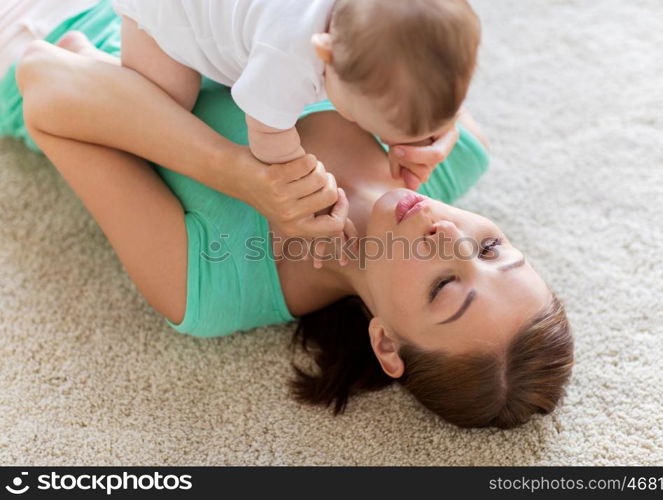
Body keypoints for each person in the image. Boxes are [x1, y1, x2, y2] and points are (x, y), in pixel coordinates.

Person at [2, 1, 574, 429]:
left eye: (445, 285)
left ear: (387, 344)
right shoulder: (456, 151)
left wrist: (239, 173)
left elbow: (43, 82)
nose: (450, 235)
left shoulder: (212, 286)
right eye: (493, 249)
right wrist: (435, 125)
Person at [113, 0, 481, 192]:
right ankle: (89, 61)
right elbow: (268, 134)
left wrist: (421, 127)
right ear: (325, 53)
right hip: (170, 16)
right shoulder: (288, 56)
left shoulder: (359, 26)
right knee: (162, 110)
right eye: (358, 116)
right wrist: (300, 176)